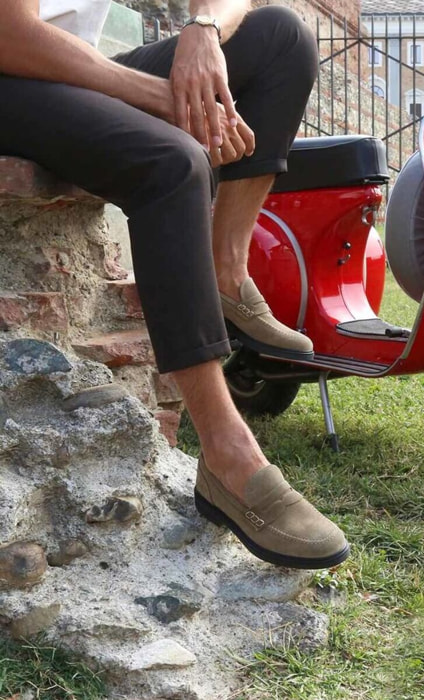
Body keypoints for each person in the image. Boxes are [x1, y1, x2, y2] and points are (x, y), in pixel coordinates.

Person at [0, 0, 350, 570]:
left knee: (281, 37)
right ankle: (227, 455)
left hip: (69, 69)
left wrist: (202, 31)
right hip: (10, 68)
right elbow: (10, 35)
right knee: (174, 160)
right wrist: (158, 95)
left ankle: (224, 274)